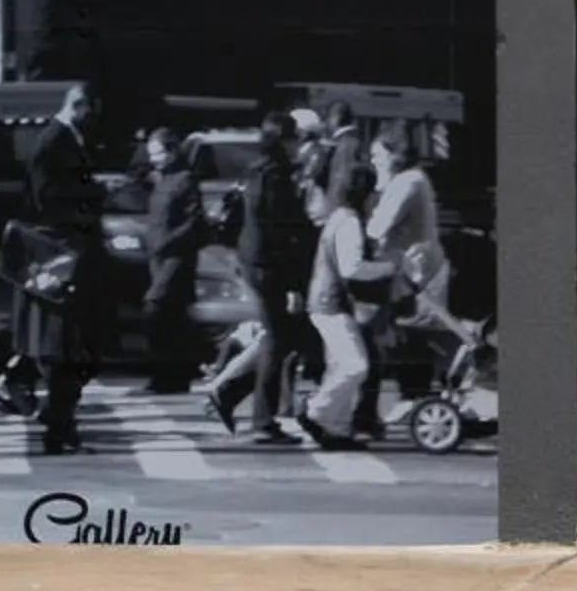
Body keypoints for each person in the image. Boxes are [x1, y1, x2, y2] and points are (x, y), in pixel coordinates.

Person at [204, 109, 313, 441]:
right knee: (278, 338)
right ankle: (260, 420)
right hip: (269, 267)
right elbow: (282, 233)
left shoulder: (258, 171)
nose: (298, 145)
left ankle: (231, 394)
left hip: (256, 262)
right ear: (283, 141)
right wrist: (295, 282)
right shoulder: (276, 176)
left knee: (282, 336)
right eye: (295, 139)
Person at [13, 82, 105, 454]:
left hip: (65, 251)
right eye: (90, 111)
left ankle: (59, 421)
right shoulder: (54, 142)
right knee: (65, 345)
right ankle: (57, 422)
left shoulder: (61, 138)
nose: (93, 120)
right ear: (79, 106)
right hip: (61, 252)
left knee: (71, 346)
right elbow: (46, 197)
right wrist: (93, 196)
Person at [365, 124, 464, 415]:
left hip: (416, 274)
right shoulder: (412, 179)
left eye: (377, 155)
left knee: (410, 335)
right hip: (413, 270)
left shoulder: (407, 182)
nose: (373, 161)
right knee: (411, 335)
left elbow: (378, 227)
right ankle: (414, 397)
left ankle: (414, 399)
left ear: (393, 155)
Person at [300, 161, 391, 450]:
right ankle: (316, 411)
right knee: (355, 365)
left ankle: (335, 430)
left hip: (325, 300)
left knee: (339, 365)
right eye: (374, 191)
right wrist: (389, 268)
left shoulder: (338, 216)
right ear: (364, 192)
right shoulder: (350, 221)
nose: (376, 198)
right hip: (332, 303)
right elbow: (351, 268)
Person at [139, 130, 206, 396]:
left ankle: (166, 374)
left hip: (175, 257)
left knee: (156, 306)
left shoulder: (185, 180)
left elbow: (195, 221)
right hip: (158, 258)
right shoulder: (161, 179)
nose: (153, 160)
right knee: (171, 319)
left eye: (158, 154)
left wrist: (167, 241)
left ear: (172, 151)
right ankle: (170, 378)